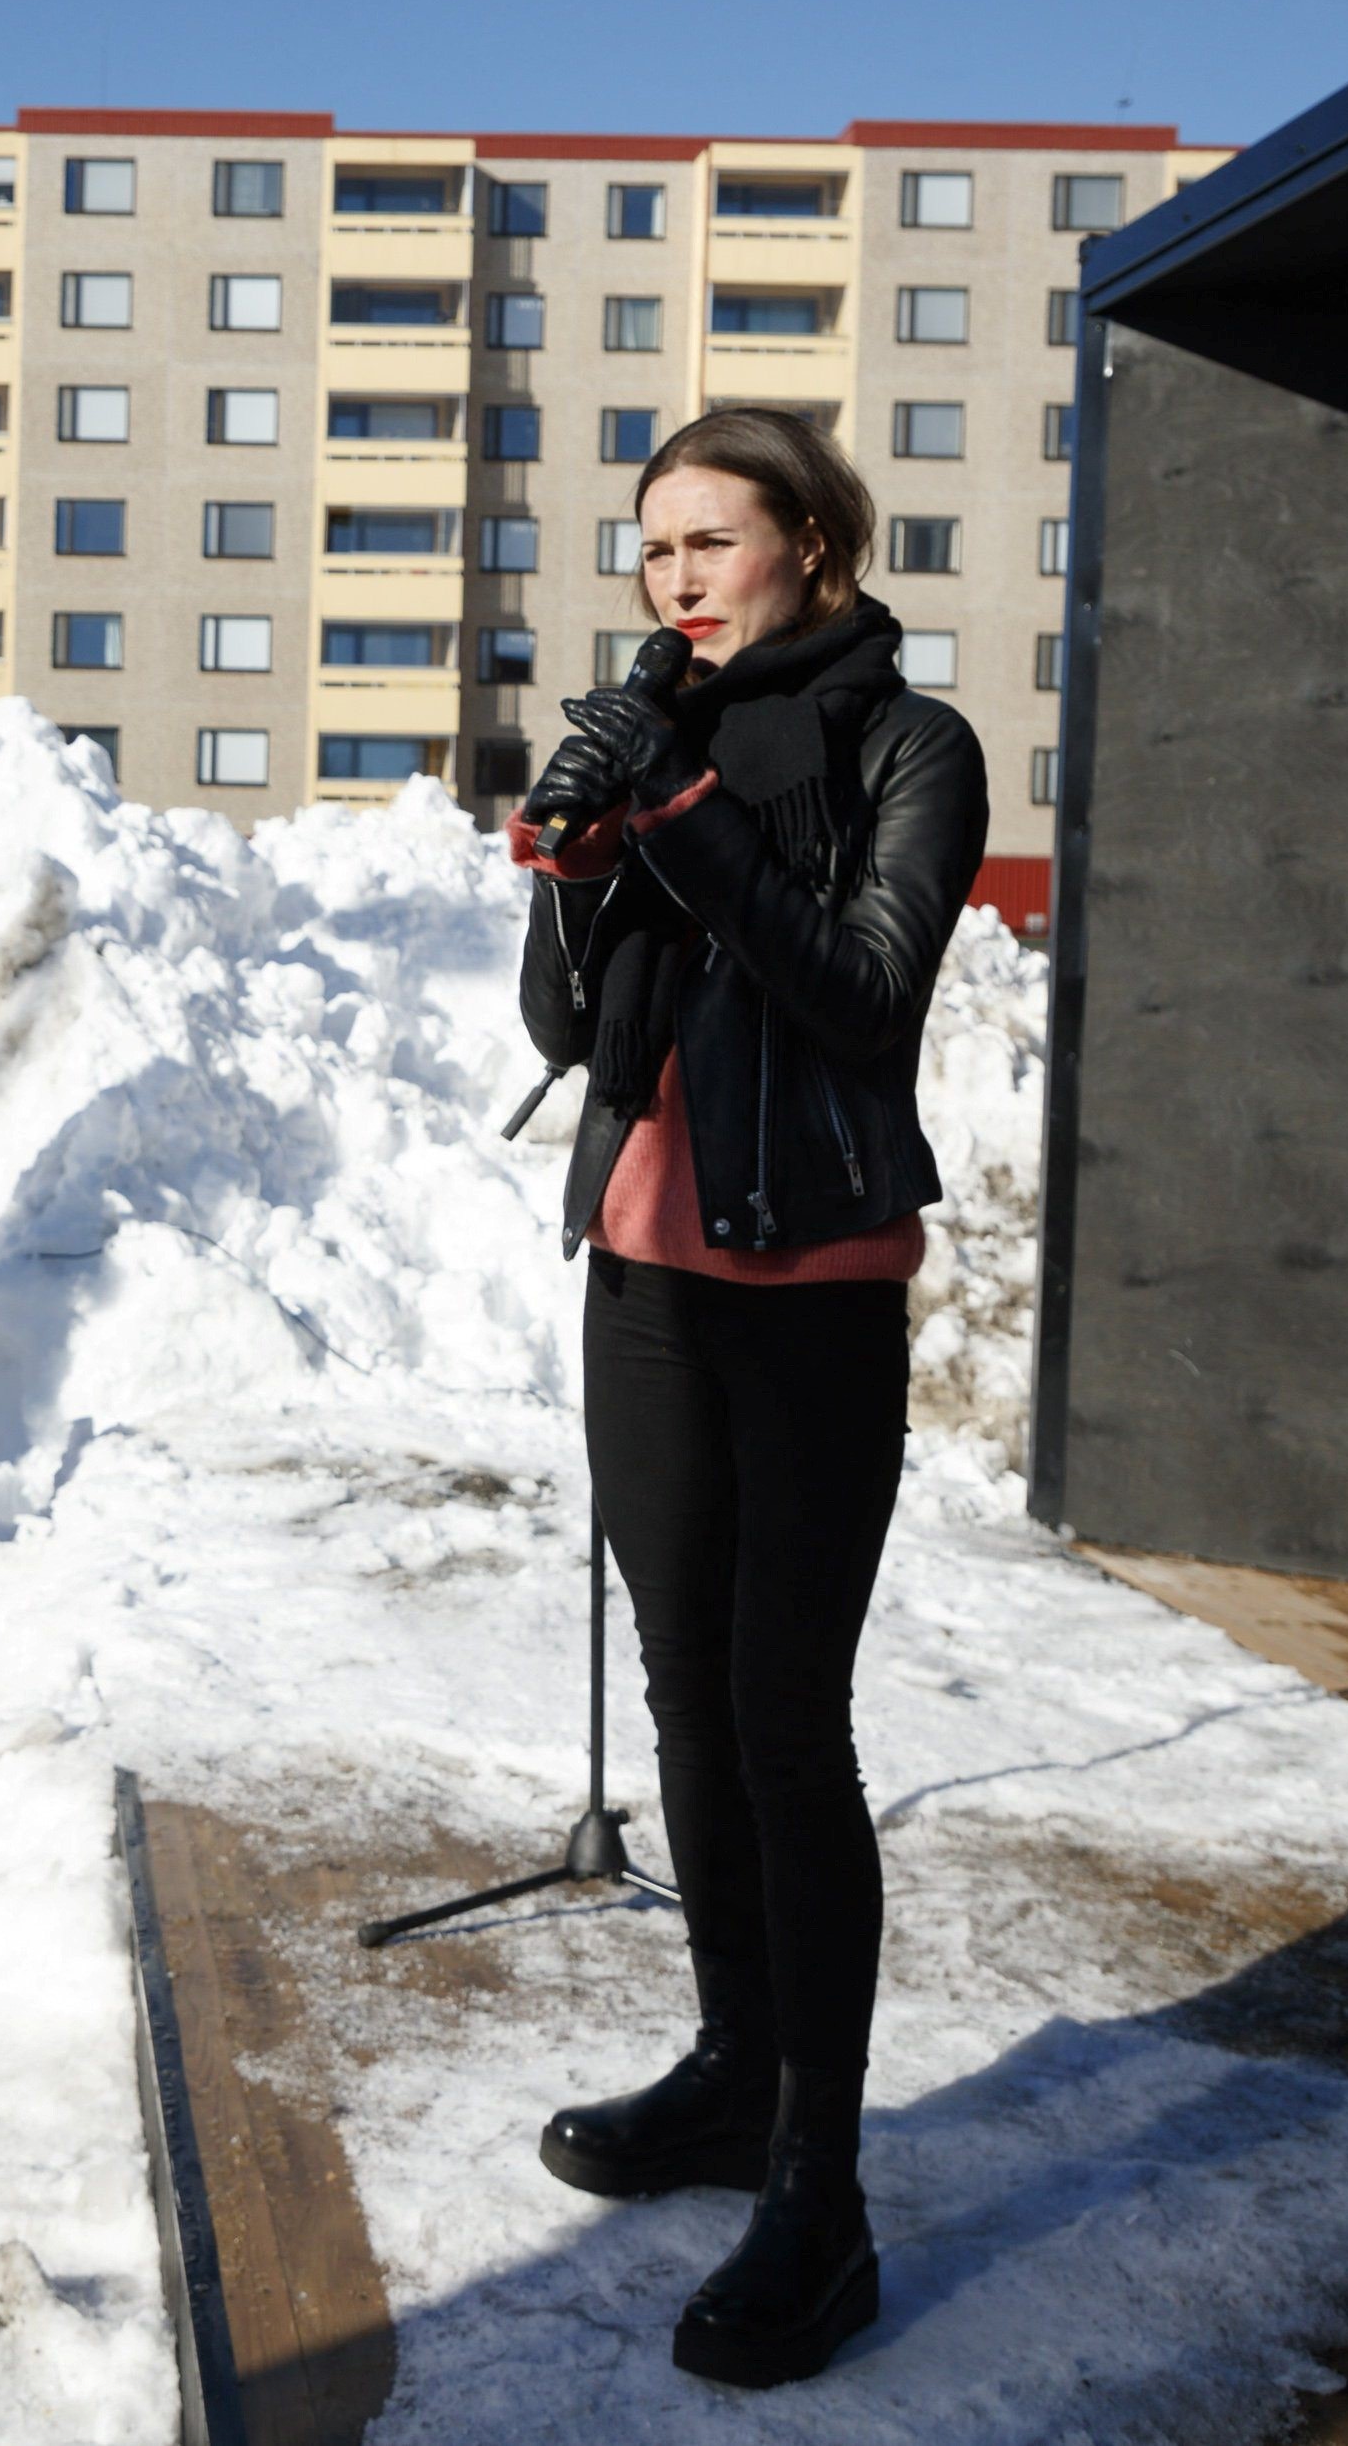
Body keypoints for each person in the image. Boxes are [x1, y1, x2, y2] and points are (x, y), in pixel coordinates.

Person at [509, 409, 986, 2393]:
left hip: (804, 1285)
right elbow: (565, 1027)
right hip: (641, 1272)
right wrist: (568, 858)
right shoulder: (655, 732)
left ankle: (823, 2184)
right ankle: (724, 2069)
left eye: (707, 538)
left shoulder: (908, 747)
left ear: (806, 538)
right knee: (684, 1694)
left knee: (786, 1718)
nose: (673, 576)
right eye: (648, 551)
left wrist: (688, 813)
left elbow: (864, 992)